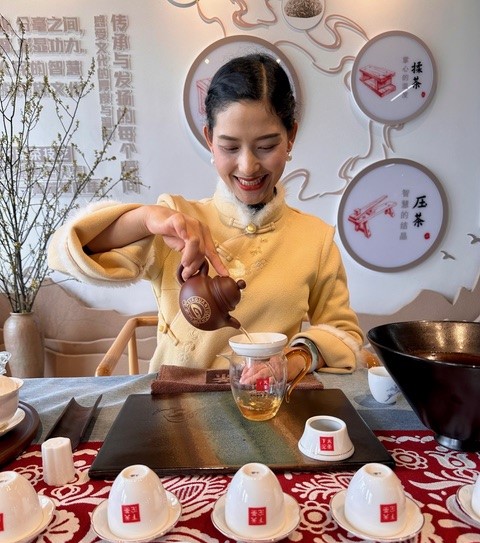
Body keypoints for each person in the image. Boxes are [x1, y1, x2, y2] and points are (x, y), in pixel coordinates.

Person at [48, 53, 364, 378]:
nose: (247, 166)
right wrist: (144, 219)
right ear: (209, 139)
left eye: (266, 146)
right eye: (230, 147)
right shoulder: (178, 221)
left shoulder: (315, 239)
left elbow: (345, 335)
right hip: (174, 413)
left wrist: (295, 359)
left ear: (291, 137)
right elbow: (67, 252)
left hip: (267, 409)